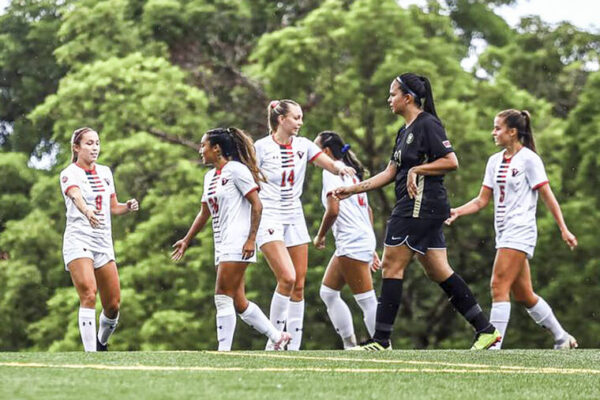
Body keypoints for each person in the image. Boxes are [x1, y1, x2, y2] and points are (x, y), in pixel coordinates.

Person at [334, 73, 501, 350]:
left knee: (390, 265)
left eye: (393, 94)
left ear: (408, 98)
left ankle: (381, 340)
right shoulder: (404, 131)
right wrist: (352, 189)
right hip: (421, 207)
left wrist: (417, 169)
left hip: (419, 205)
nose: (389, 99)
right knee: (439, 271)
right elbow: (390, 172)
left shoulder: (427, 124)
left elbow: (451, 161)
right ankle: (486, 330)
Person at [445, 109, 578, 349]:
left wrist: (564, 229)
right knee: (525, 295)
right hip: (504, 233)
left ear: (512, 132)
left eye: (497, 128)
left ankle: (494, 346)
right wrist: (457, 211)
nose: (493, 132)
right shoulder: (494, 161)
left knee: (498, 285)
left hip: (521, 230)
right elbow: (481, 200)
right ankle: (562, 338)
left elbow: (548, 196)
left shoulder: (529, 159)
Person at [171, 127, 291, 351]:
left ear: (216, 149)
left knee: (221, 296)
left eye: (203, 145)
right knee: (239, 302)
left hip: (238, 241)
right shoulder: (210, 177)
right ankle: (277, 336)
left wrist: (251, 239)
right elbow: (204, 212)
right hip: (222, 242)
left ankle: (223, 351)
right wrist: (186, 240)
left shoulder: (237, 170)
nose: (200, 150)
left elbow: (257, 204)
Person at [255, 99, 355, 350]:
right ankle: (274, 342)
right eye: (296, 118)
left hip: (294, 215)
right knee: (286, 278)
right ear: (281, 120)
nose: (300, 123)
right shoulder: (261, 147)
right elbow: (247, 182)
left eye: (301, 118)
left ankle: (295, 348)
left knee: (298, 285)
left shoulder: (304, 145)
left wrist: (341, 168)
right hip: (269, 216)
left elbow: (329, 164)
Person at [59, 127, 139, 352]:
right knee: (88, 293)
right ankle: (90, 355)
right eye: (89, 143)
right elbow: (74, 195)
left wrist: (128, 207)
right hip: (79, 239)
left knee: (113, 305)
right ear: (76, 147)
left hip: (103, 243)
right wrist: (87, 211)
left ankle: (100, 343)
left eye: (97, 143)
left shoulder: (105, 172)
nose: (94, 148)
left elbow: (114, 207)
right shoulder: (69, 173)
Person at [313, 131, 380, 349]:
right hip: (360, 239)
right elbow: (367, 209)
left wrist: (321, 235)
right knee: (328, 293)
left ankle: (383, 345)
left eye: (315, 149)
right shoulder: (352, 173)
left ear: (326, 152)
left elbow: (333, 210)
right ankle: (350, 345)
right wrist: (372, 248)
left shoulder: (331, 172)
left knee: (366, 299)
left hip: (352, 241)